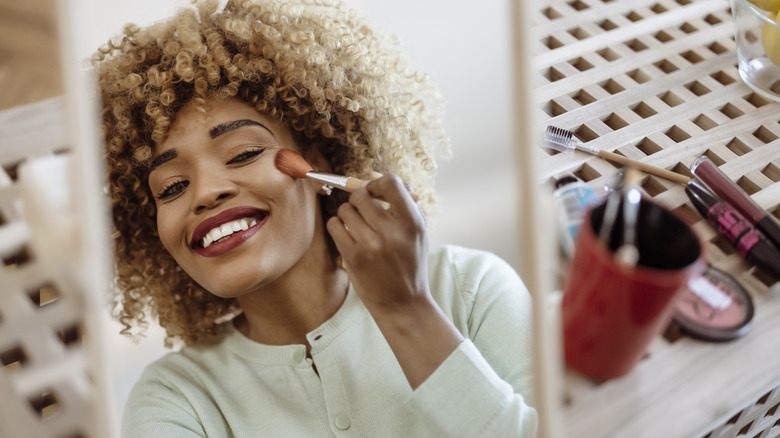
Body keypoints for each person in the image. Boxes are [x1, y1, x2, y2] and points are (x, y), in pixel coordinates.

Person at [93, 0, 538, 436]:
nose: (206, 193)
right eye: (171, 187)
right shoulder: (175, 397)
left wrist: (406, 310)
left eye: (244, 153)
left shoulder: (470, 290)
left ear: (320, 162)